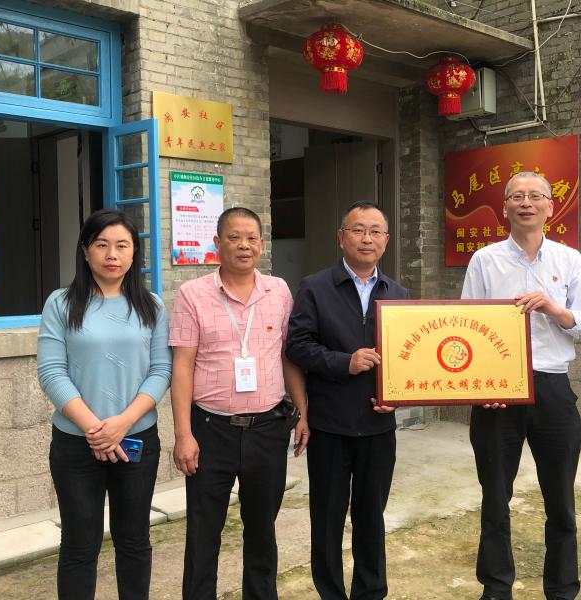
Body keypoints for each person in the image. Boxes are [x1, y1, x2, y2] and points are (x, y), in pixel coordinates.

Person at [461, 172, 581, 600]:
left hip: (553, 388)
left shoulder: (569, 259)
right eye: (517, 196)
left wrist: (555, 310)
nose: (526, 203)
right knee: (494, 498)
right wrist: (480, 389)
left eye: (536, 196)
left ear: (550, 207)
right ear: (504, 207)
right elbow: (466, 325)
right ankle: (496, 586)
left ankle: (562, 588)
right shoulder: (484, 260)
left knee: (560, 500)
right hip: (496, 392)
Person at [169, 206, 308, 600]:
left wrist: (302, 411)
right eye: (234, 237)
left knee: (262, 530)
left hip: (268, 428)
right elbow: (182, 366)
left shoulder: (279, 291)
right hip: (210, 430)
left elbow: (288, 356)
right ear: (218, 243)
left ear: (262, 244)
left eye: (251, 238)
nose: (243, 245)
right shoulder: (193, 294)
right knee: (203, 531)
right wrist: (183, 434)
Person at [37, 209, 172, 600]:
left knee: (134, 540)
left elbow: (161, 371)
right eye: (101, 245)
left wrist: (122, 423)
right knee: (79, 544)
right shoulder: (61, 304)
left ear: (134, 253)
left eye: (122, 246)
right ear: (85, 250)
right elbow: (51, 372)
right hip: (76, 444)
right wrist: (95, 429)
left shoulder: (152, 306)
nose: (112, 254)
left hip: (136, 439)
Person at [286, 201, 408, 600]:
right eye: (358, 230)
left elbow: (408, 357)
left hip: (378, 426)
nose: (366, 238)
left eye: (375, 231)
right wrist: (345, 362)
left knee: (371, 519)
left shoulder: (398, 294)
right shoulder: (315, 287)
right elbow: (297, 346)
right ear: (341, 238)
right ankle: (331, 593)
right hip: (330, 426)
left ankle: (370, 592)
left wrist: (398, 398)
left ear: (386, 240)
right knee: (327, 519)